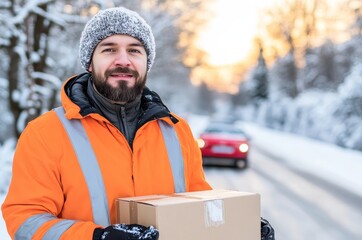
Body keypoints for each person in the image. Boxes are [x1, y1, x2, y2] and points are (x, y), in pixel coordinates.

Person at [2, 6, 274, 240]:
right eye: (109, 49)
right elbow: (25, 221)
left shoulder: (176, 130)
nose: (123, 61)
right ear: (89, 62)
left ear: (147, 63)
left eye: (135, 50)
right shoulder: (46, 133)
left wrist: (238, 228)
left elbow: (197, 207)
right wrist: (98, 236)